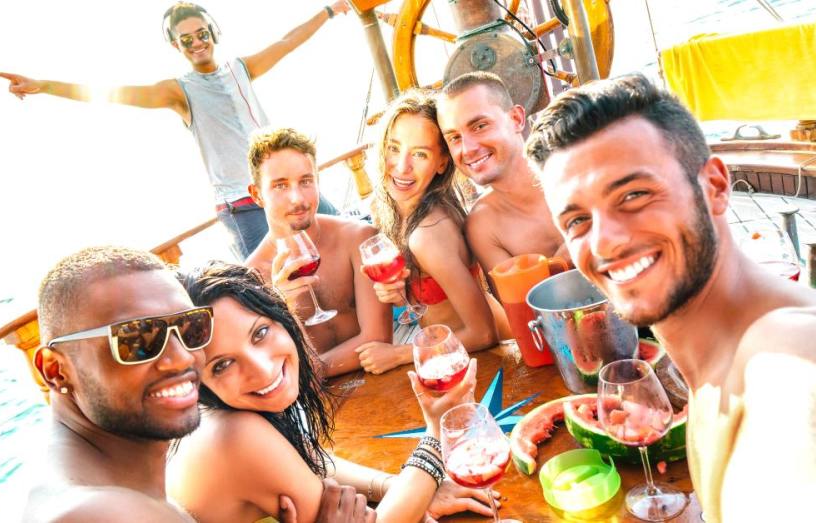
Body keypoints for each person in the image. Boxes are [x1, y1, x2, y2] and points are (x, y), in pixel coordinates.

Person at [526, 74, 816, 522]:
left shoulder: (787, 355)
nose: (604, 243)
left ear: (715, 187)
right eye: (578, 221)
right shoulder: (714, 367)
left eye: (634, 195)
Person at [28, 245, 375, 522]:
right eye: (137, 339)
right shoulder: (96, 514)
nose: (181, 357)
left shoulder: (101, 477)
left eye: (190, 327)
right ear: (55, 371)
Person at [0, 1, 349, 260]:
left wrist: (331, 10)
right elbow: (111, 94)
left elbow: (288, 41)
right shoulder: (179, 91)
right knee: (272, 283)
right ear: (176, 46)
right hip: (243, 205)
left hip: (282, 190)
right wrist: (43, 85)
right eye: (186, 39)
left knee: (346, 236)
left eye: (201, 33)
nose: (196, 43)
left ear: (213, 33)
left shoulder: (242, 69)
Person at [173, 262, 495, 522]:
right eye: (222, 364)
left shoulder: (226, 414)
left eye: (259, 333)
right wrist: (436, 436)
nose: (260, 368)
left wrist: (399, 488)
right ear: (197, 382)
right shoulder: (233, 435)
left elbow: (311, 461)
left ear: (282, 318)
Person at [357, 89, 503, 375]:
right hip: (454, 356)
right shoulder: (405, 210)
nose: (401, 166)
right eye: (394, 148)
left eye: (420, 154)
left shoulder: (427, 234)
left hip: (486, 358)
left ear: (441, 163)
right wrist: (403, 297)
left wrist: (398, 355)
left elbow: (485, 333)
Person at [244, 128, 392, 377]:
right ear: (257, 194)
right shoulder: (252, 279)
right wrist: (283, 307)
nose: (297, 198)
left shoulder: (358, 238)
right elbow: (275, 369)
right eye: (280, 186)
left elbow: (378, 338)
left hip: (380, 374)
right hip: (319, 403)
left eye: (305, 181)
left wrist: (314, 371)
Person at [435, 71, 570, 281]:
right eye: (454, 137)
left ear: (516, 119)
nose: (467, 149)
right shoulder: (483, 225)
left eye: (479, 126)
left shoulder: (573, 168)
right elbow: (522, 309)